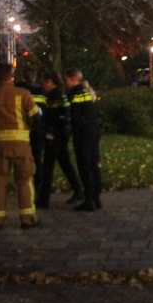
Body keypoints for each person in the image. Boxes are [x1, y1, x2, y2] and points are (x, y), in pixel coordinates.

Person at [0, 63, 40, 229]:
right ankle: (28, 219)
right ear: (12, 76)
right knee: (24, 181)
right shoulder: (23, 94)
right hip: (21, 145)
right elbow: (35, 116)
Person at [35, 70, 85, 209]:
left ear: (50, 82)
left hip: (55, 136)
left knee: (47, 167)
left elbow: (56, 116)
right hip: (60, 135)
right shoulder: (56, 94)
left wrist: (49, 130)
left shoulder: (56, 95)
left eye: (43, 82)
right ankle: (78, 190)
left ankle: (43, 200)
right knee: (65, 164)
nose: (42, 85)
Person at [64, 67, 102, 212]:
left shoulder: (75, 93)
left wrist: (71, 131)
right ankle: (96, 198)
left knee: (84, 166)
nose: (65, 83)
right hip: (94, 129)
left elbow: (73, 116)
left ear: (73, 79)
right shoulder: (88, 90)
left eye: (66, 79)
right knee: (94, 164)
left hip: (83, 132)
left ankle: (89, 200)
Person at [15, 68, 46, 195]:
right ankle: (37, 185)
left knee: (22, 159)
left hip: (21, 128)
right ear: (35, 76)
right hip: (38, 128)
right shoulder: (40, 90)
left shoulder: (18, 88)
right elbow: (43, 110)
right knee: (37, 158)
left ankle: (24, 185)